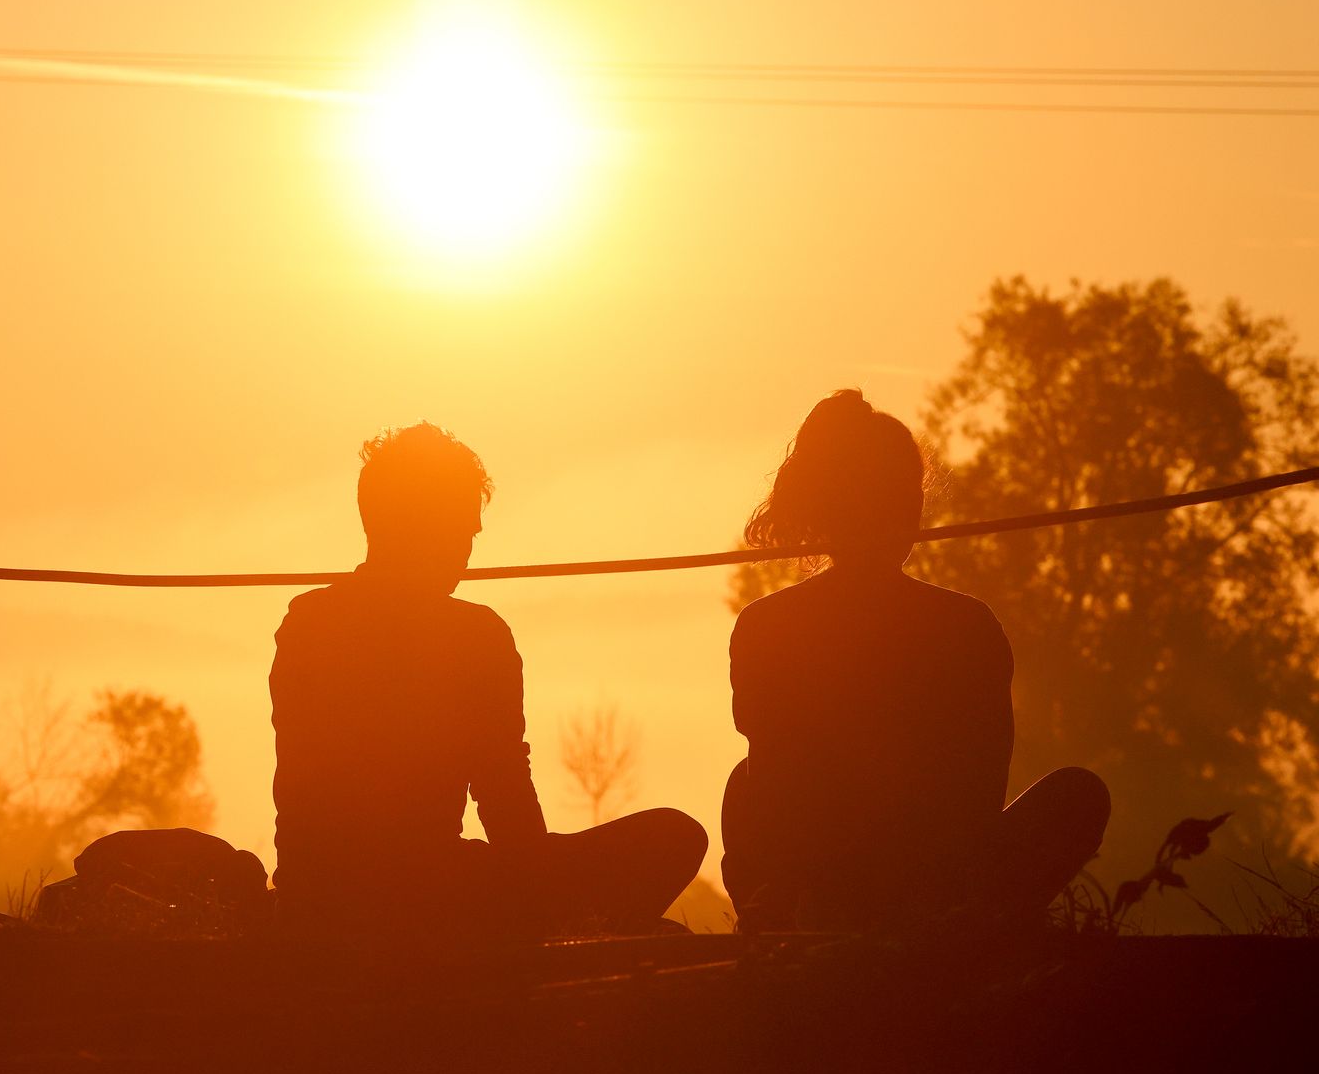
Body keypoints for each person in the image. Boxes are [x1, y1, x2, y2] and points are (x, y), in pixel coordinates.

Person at [270, 422, 707, 936]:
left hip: (315, 891)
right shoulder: (474, 635)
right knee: (673, 836)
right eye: (463, 530)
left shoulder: (305, 623)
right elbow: (504, 796)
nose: (467, 550)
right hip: (434, 892)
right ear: (432, 528)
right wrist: (542, 890)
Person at [722, 390, 1111, 932]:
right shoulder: (967, 624)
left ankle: (795, 921)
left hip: (830, 886)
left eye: (909, 494)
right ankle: (945, 926)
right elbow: (981, 791)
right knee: (1078, 798)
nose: (907, 511)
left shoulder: (765, 624)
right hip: (937, 888)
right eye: (892, 495)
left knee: (743, 787)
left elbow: (774, 787)